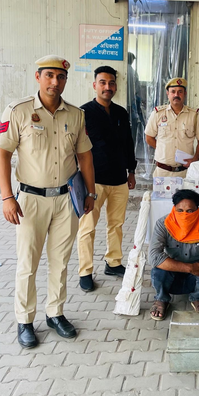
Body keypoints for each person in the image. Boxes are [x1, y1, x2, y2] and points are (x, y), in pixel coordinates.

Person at [0, 55, 95, 348]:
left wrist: (90, 193)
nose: (55, 82)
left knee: (60, 262)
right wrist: (7, 197)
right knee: (28, 263)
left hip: (66, 200)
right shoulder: (18, 111)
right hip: (30, 201)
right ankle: (25, 320)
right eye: (49, 75)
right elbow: (2, 153)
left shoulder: (76, 115)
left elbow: (85, 156)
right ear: (38, 77)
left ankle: (55, 313)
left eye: (60, 77)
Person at [77, 66, 137, 292]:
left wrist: (131, 171)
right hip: (93, 182)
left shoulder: (121, 113)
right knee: (87, 228)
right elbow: (76, 148)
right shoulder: (83, 113)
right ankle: (85, 271)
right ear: (95, 85)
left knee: (116, 224)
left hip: (119, 180)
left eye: (111, 83)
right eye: (102, 82)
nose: (107, 87)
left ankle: (113, 262)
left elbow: (128, 143)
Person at [148, 190, 199, 320]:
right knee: (158, 271)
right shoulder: (163, 224)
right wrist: (191, 268)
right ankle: (161, 299)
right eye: (180, 210)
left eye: (190, 211)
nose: (184, 215)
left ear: (198, 210)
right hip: (174, 271)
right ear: (174, 208)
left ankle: (198, 298)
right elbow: (153, 257)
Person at [144, 78, 199, 178]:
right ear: (168, 94)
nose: (176, 95)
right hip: (162, 172)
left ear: (185, 94)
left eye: (180, 92)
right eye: (173, 91)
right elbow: (149, 137)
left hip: (185, 172)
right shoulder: (158, 113)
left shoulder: (194, 115)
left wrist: (195, 158)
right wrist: (163, 148)